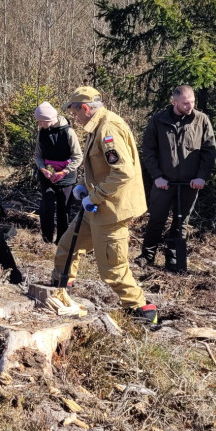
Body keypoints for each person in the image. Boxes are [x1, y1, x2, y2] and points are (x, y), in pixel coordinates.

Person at [52, 87, 158, 326]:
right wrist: (83, 186)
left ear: (86, 108)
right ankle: (59, 291)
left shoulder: (108, 129)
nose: (74, 117)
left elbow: (123, 171)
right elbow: (100, 169)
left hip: (111, 209)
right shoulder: (97, 126)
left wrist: (95, 196)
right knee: (68, 247)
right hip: (96, 207)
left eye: (75, 112)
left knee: (112, 268)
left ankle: (141, 310)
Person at [138, 85, 216, 271]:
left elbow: (209, 151)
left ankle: (173, 259)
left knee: (181, 223)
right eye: (185, 103)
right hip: (164, 182)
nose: (190, 106)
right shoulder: (158, 120)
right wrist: (157, 176)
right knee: (156, 219)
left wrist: (201, 177)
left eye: (192, 102)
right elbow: (149, 151)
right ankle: (147, 256)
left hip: (190, 183)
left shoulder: (201, 120)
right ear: (174, 102)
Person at [32, 101, 83, 243]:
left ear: (49, 119)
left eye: (41, 121)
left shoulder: (68, 132)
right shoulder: (42, 132)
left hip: (66, 177)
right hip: (47, 175)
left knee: (63, 209)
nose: (40, 124)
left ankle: (62, 241)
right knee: (47, 206)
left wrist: (64, 172)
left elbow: (78, 157)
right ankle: (46, 239)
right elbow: (37, 155)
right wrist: (43, 169)